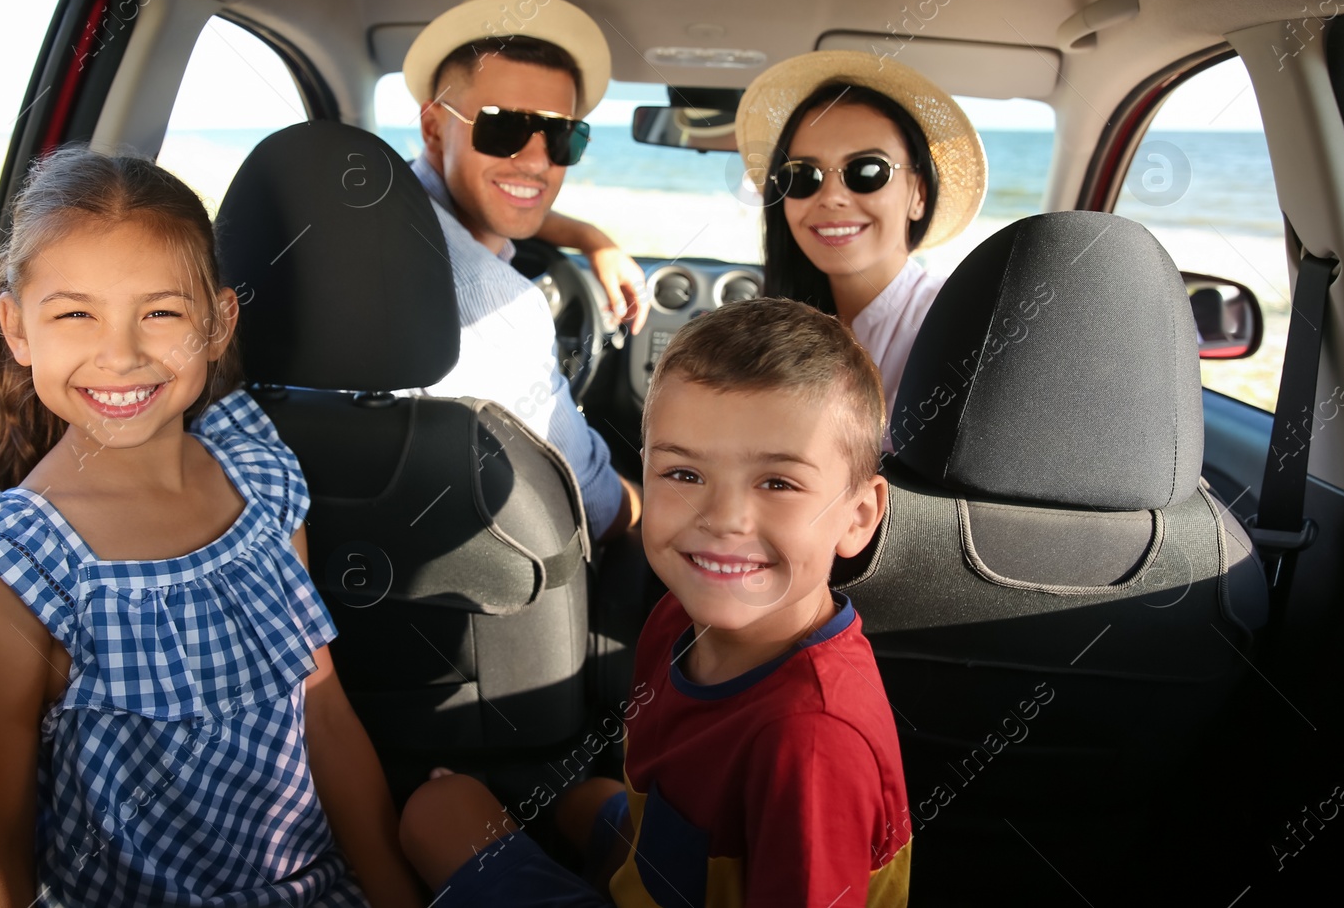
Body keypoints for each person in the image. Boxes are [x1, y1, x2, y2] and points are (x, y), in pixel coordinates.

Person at [0, 149, 421, 907]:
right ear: (16, 328)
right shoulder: (11, 566)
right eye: (75, 313)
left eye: (162, 312)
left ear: (217, 322)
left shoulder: (263, 486)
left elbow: (326, 717)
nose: (121, 355)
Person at [397, 298, 913, 907]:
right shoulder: (676, 618)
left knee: (435, 811)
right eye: (684, 475)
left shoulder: (812, 745)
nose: (724, 519)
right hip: (674, 859)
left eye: (778, 483)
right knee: (578, 801)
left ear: (858, 518)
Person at [400, 0, 643, 540]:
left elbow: (490, 198)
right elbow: (591, 504)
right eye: (504, 128)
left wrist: (589, 237)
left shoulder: (376, 203)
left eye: (562, 138)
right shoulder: (503, 308)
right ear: (434, 128)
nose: (537, 162)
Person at [736, 50, 987, 439]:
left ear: (919, 193)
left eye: (867, 171)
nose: (832, 196)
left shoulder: (960, 329)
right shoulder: (768, 328)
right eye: (803, 175)